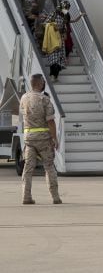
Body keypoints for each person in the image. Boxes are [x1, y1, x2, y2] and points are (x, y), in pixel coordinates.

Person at [19, 74, 61, 205]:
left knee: (28, 168)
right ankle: (55, 197)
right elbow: (51, 122)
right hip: (43, 140)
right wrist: (55, 139)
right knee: (49, 167)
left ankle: (26, 196)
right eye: (43, 81)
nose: (44, 84)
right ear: (39, 83)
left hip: (29, 139)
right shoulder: (44, 99)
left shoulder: (24, 98)